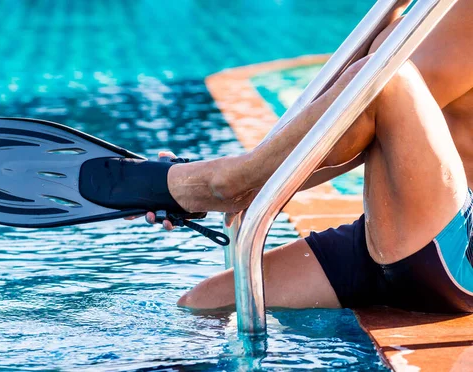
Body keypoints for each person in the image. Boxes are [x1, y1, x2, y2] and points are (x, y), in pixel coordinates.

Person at [131, 0, 473, 313]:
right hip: (408, 231)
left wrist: (233, 187)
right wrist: (246, 190)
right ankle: (219, 184)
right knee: (202, 304)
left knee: (387, 78)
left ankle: (219, 183)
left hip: (458, 251)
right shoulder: (421, 10)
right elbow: (334, 126)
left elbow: (371, 104)